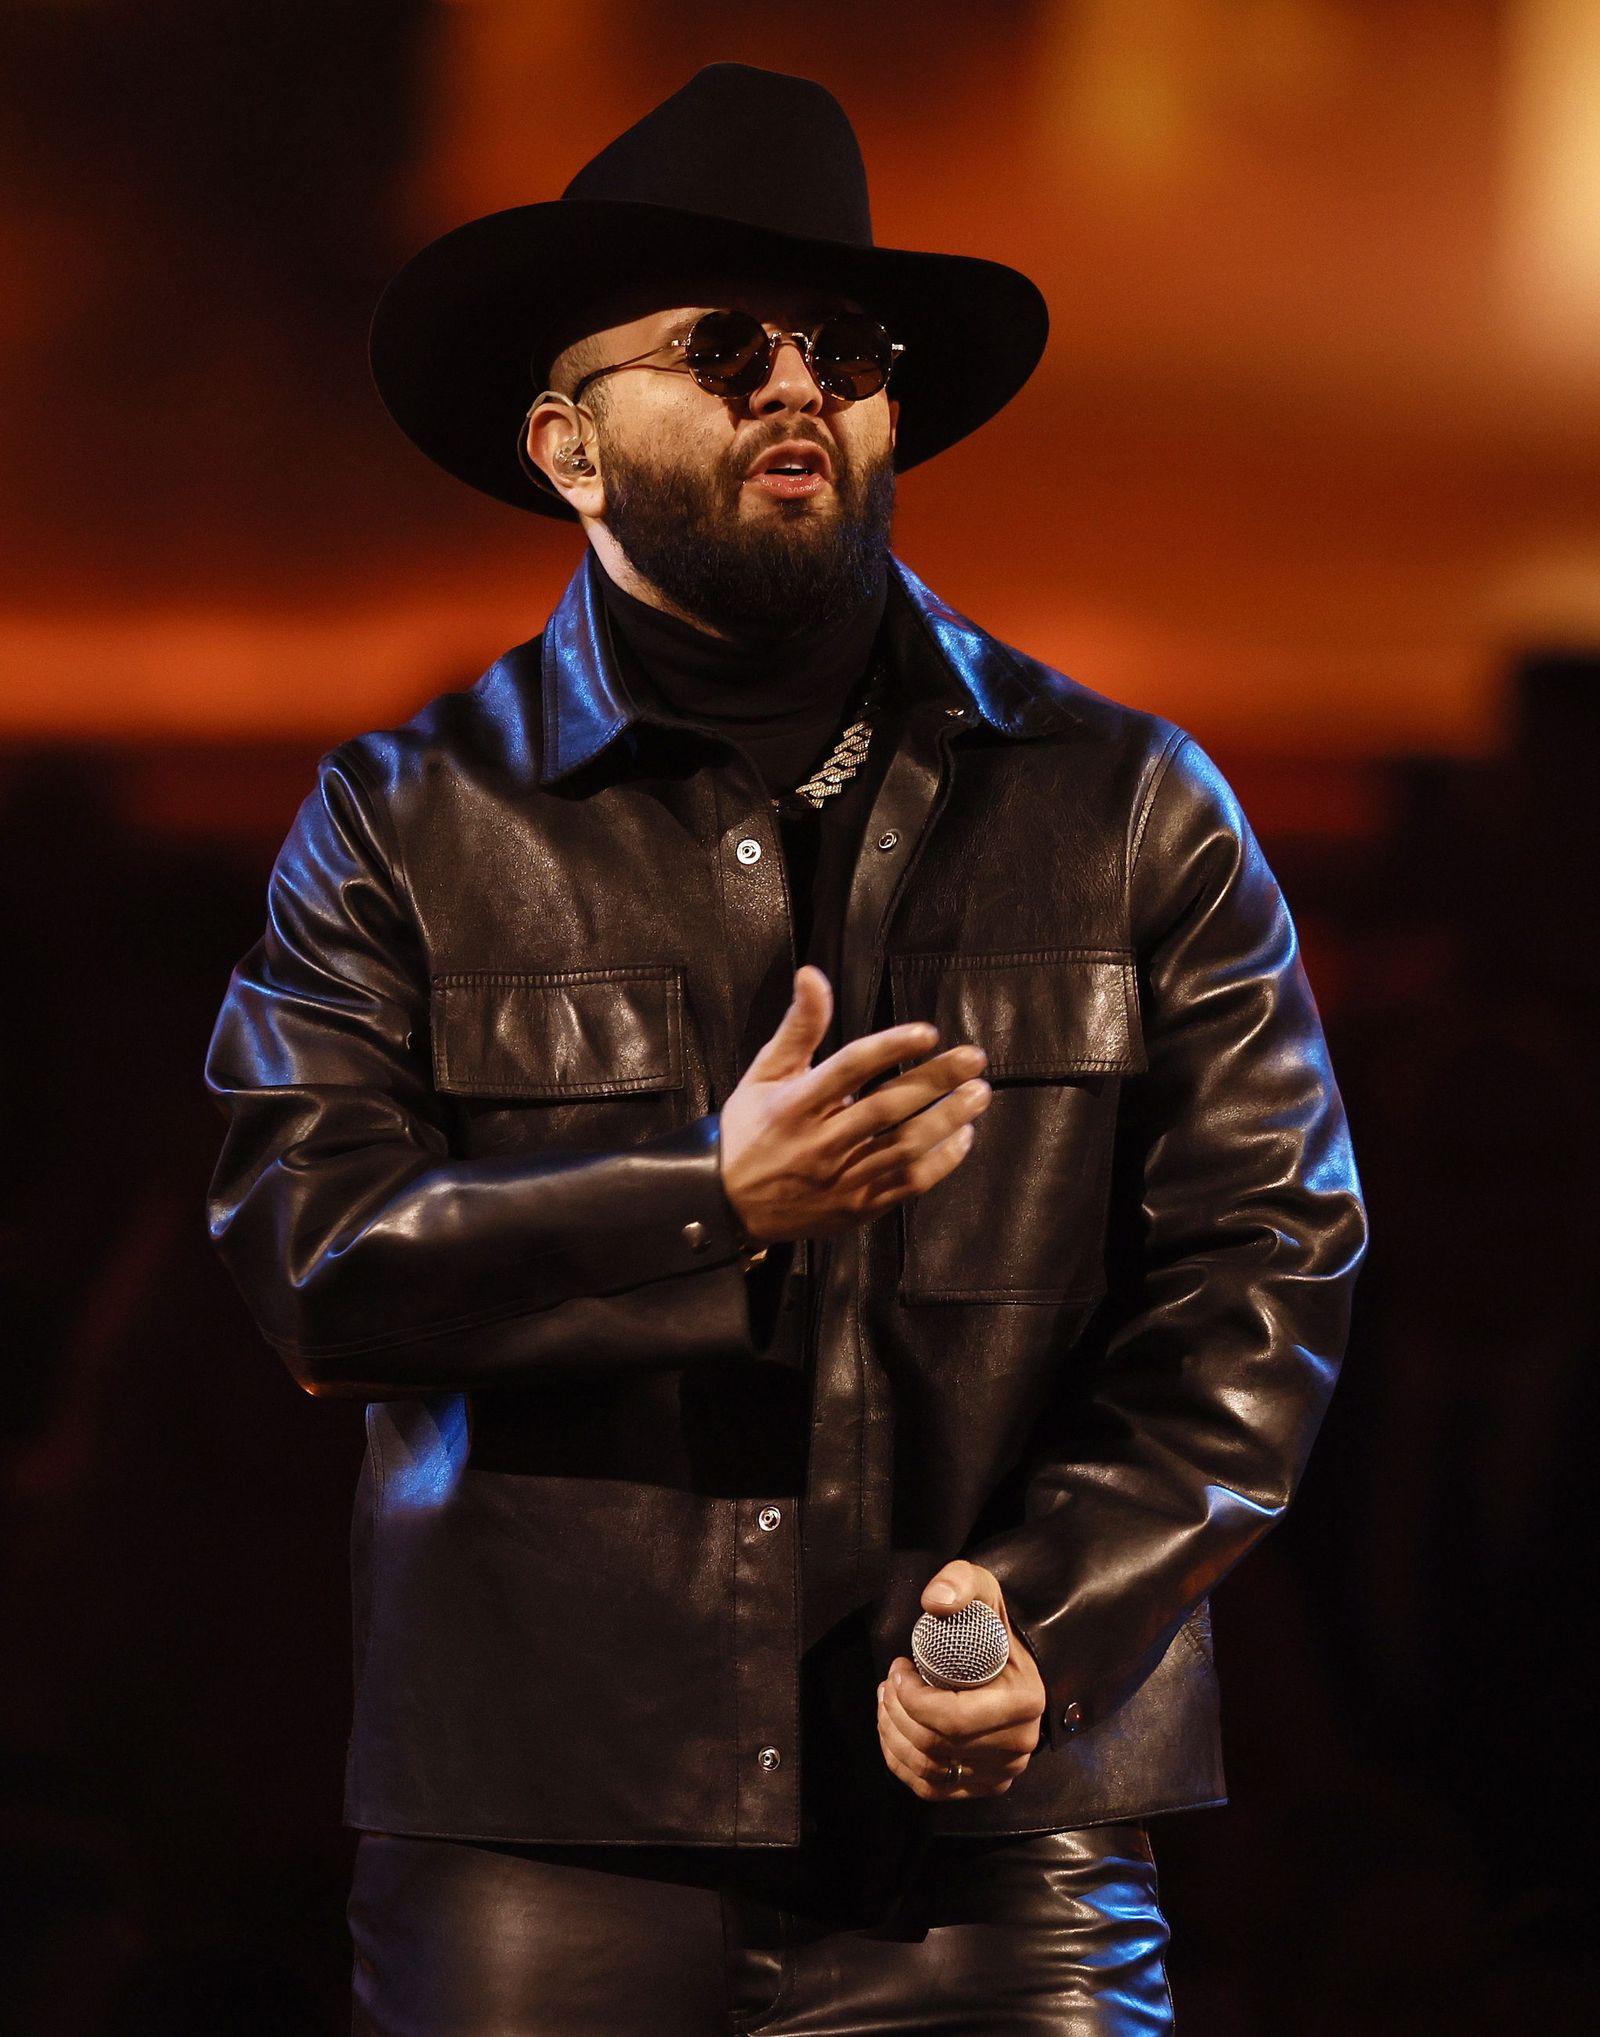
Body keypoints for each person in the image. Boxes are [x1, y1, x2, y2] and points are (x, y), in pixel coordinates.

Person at [205, 62, 1366, 2036]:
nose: (794, 387)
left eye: (843, 347)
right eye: (728, 346)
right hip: (542, 1834)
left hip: (1000, 1837)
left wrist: (1046, 1617)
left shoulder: (1125, 800)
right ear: (568, 445)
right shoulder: (406, 815)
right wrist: (701, 1197)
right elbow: (308, 1251)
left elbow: (1265, 1268)